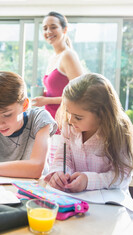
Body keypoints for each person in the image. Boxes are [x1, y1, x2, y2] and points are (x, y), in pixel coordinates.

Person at [45, 73, 133, 193]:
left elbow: (122, 175)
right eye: (68, 112)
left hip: (110, 202)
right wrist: (59, 173)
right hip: (76, 197)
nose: (70, 120)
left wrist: (88, 181)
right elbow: (63, 158)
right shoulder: (70, 126)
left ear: (102, 114)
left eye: (78, 117)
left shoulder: (118, 132)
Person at [31, 11, 83, 164]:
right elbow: (60, 89)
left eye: (53, 27)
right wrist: (44, 95)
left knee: (62, 171)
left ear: (64, 30)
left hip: (67, 123)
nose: (48, 32)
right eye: (45, 28)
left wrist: (46, 100)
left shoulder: (68, 55)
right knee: (55, 170)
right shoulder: (53, 57)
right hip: (53, 123)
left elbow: (80, 95)